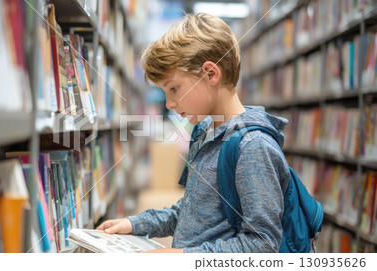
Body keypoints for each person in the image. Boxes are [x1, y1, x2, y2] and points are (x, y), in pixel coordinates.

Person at [96, 13, 290, 253]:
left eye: (174, 89)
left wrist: (182, 257)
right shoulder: (205, 133)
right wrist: (135, 223)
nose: (169, 104)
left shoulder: (253, 147)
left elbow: (262, 244)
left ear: (211, 74)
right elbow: (192, 211)